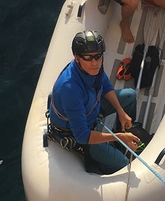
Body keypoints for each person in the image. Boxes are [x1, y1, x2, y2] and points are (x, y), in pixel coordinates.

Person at [48, 30, 140, 174]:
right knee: (122, 162)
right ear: (77, 58)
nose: (95, 63)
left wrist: (121, 112)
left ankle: (124, 133)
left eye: (98, 56)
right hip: (79, 134)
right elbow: (83, 135)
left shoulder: (93, 69)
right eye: (88, 57)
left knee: (130, 96)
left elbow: (106, 86)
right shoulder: (70, 88)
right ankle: (102, 166)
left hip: (91, 111)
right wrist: (119, 137)